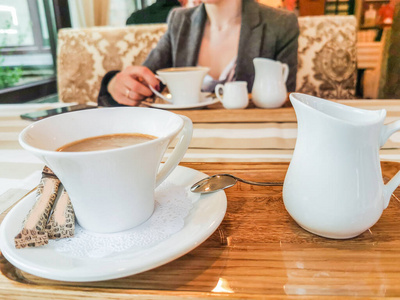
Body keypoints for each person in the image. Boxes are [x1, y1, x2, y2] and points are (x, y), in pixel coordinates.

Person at [98, 0, 299, 107]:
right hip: (188, 144)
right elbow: (144, 81)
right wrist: (115, 83)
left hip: (255, 144)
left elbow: (286, 102)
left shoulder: (280, 24)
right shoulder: (179, 21)